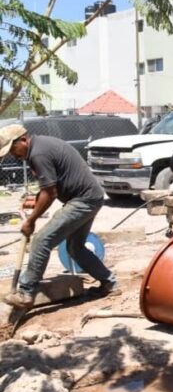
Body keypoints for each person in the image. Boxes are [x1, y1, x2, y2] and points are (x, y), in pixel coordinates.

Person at [1, 124, 119, 310]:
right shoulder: (40, 146)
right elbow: (48, 186)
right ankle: (110, 283)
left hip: (83, 200)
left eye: (12, 149)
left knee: (41, 240)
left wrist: (31, 221)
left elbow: (50, 193)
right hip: (90, 197)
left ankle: (26, 292)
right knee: (75, 248)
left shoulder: (38, 154)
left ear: (23, 140)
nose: (12, 155)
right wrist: (36, 200)